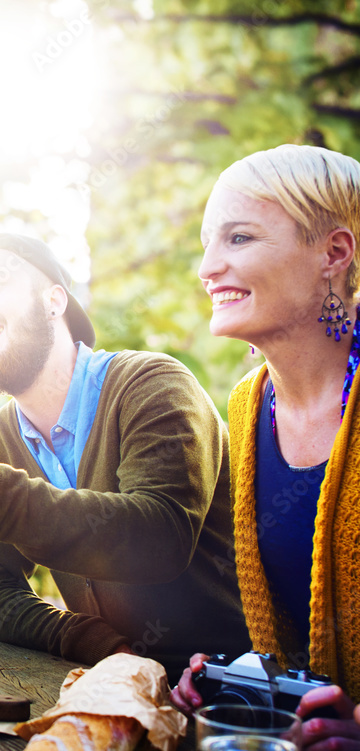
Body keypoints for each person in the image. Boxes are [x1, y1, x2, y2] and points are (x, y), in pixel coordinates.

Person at [0, 233, 250, 679]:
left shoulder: (153, 384)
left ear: (54, 300)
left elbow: (159, 538)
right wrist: (98, 643)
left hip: (230, 691)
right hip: (116, 684)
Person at [168, 144, 360, 747]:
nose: (208, 267)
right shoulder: (250, 406)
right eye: (207, 243)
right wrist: (243, 681)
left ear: (333, 253)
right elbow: (287, 632)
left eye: (239, 238)